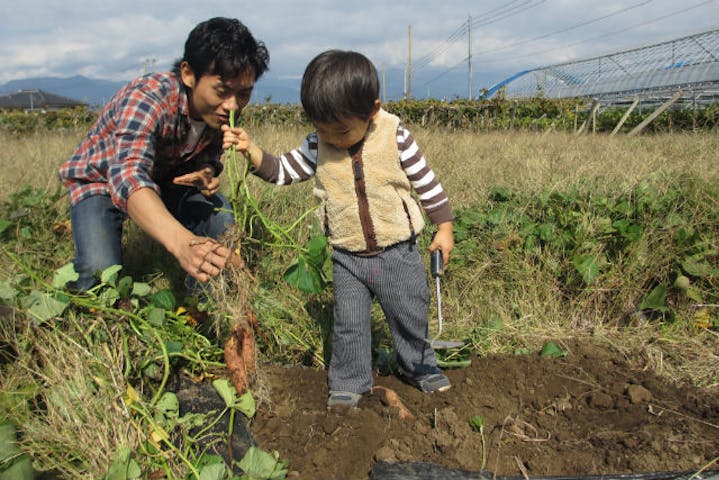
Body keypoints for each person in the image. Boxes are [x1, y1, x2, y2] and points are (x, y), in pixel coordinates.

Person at [224, 50, 455, 408]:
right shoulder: (318, 144)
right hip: (347, 256)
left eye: (342, 130)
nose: (333, 138)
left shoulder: (394, 136)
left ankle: (419, 366)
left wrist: (445, 226)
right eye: (323, 130)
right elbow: (283, 171)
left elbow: (426, 182)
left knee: (410, 312)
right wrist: (252, 151)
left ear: (373, 110)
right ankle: (349, 380)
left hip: (399, 250)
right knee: (349, 324)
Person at [58, 17, 269, 292]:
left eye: (243, 94)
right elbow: (128, 176)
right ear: (188, 74)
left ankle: (208, 299)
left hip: (166, 181)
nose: (232, 105)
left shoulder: (219, 114)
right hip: (101, 183)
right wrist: (182, 243)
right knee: (99, 280)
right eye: (222, 91)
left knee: (220, 215)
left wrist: (206, 172)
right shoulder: (148, 97)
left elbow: (208, 159)